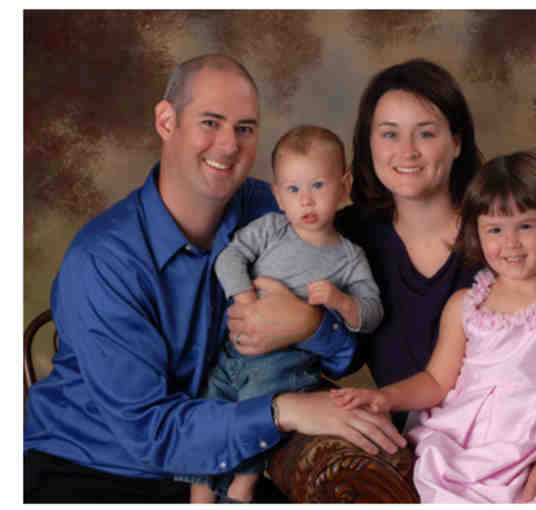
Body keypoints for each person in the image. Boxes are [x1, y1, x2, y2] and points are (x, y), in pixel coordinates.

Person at [228, 58, 536, 503]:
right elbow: (340, 357)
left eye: (427, 133)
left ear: (456, 142)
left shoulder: (509, 234)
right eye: (389, 133)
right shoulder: (344, 235)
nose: (407, 151)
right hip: (437, 451)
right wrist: (302, 322)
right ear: (368, 144)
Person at [23, 55, 405, 503]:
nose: (228, 146)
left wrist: (309, 324)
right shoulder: (102, 261)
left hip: (227, 441)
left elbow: (344, 358)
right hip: (95, 464)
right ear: (167, 121)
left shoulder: (272, 211)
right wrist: (283, 411)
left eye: (245, 128)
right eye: (210, 122)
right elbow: (150, 433)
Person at [332, 152, 536, 503]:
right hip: (470, 447)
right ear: (475, 234)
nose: (511, 243)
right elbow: (436, 381)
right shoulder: (464, 305)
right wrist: (385, 397)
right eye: (495, 229)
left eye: (525, 226)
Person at [178, 124, 384, 503]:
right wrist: (245, 299)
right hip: (230, 353)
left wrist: (341, 301)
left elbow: (372, 312)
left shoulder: (349, 257)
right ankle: (200, 496)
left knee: (254, 416)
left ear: (344, 186)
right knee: (208, 417)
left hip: (284, 365)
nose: (306, 201)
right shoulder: (272, 228)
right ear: (278, 196)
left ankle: (243, 488)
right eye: (293, 189)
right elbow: (230, 257)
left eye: (318, 186)